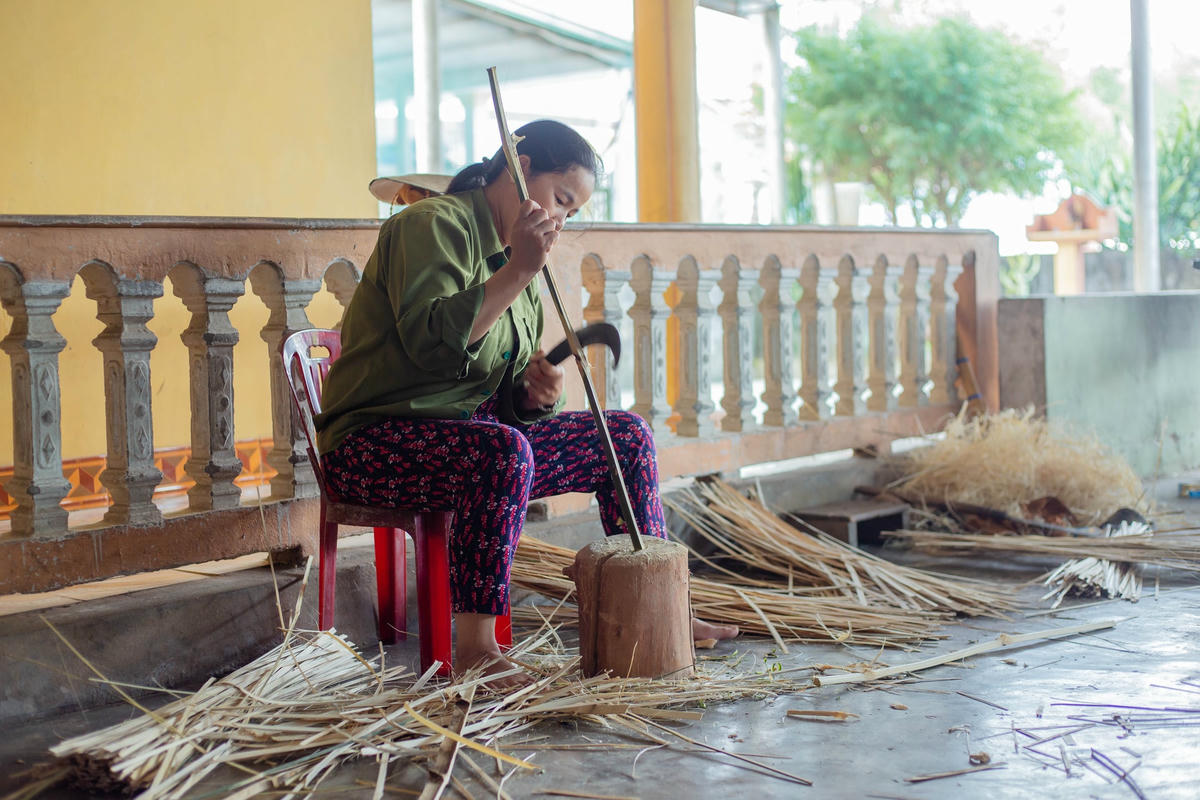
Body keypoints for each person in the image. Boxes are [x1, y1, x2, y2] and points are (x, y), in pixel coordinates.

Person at [314, 119, 737, 687]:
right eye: (560, 199)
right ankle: (478, 651)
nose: (560, 219)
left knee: (624, 436)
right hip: (374, 444)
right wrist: (518, 270)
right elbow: (430, 348)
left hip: (470, 443)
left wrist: (536, 396)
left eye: (572, 212)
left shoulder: (523, 267)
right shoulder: (432, 227)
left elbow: (502, 400)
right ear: (520, 164)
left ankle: (665, 608)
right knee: (501, 452)